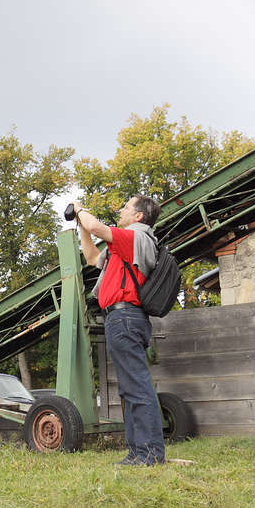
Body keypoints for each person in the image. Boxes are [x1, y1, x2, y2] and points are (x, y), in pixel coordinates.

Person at [71, 195, 165, 465]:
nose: (120, 210)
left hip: (125, 316)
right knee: (130, 389)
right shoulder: (123, 247)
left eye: (126, 207)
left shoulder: (135, 237)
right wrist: (80, 224)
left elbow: (97, 228)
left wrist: (80, 210)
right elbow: (91, 257)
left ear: (138, 216)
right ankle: (138, 453)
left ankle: (149, 454)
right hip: (119, 318)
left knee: (137, 388)